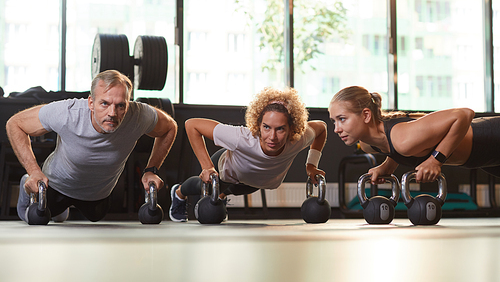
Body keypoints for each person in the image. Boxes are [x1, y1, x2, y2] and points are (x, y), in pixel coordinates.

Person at [6, 69, 178, 223]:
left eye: (120, 106)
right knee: (37, 217)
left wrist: (151, 170)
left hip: (97, 194)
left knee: (96, 216)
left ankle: (60, 212)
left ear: (128, 103)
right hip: (56, 185)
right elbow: (15, 124)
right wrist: (34, 170)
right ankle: (28, 184)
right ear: (90, 103)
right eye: (104, 103)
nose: (112, 113)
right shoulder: (68, 113)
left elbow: (170, 127)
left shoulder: (138, 115)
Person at [169, 87, 327, 222]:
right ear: (258, 125)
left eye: (280, 129)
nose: (272, 137)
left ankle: (221, 196)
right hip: (225, 169)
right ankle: (178, 193)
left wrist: (311, 165)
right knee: (207, 186)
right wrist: (207, 167)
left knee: (237, 189)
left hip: (253, 182)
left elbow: (322, 127)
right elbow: (192, 125)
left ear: (291, 129)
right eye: (266, 127)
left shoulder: (298, 139)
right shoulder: (241, 137)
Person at [328, 85, 500, 184]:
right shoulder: (369, 144)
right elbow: (396, 148)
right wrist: (387, 166)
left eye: (342, 119)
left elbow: (464, 114)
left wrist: (435, 160)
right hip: (483, 158)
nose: (336, 128)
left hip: (491, 137)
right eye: (334, 121)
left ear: (366, 115)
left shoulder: (403, 138)